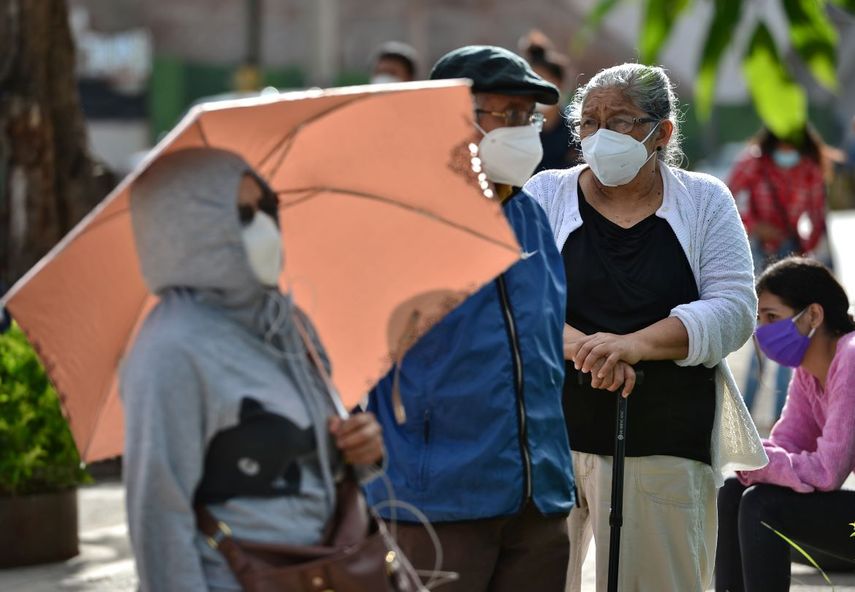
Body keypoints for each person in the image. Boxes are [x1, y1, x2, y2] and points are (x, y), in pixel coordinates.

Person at [523, 63, 767, 591]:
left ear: (662, 132)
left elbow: (733, 309)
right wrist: (592, 351)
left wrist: (634, 346)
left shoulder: (704, 200)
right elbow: (519, 300)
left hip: (665, 439)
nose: (600, 135)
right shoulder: (545, 193)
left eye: (620, 121)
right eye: (589, 122)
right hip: (549, 438)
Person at [121, 148, 385, 591]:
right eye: (242, 215)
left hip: (323, 572)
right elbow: (159, 517)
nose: (264, 226)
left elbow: (322, 462)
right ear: (192, 227)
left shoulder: (289, 323)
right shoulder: (170, 349)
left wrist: (362, 449)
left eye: (266, 208)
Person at [363, 45, 575, 591]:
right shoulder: (401, 219)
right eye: (507, 114)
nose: (523, 130)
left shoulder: (529, 214)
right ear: (452, 118)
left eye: (529, 117)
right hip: (437, 503)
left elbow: (543, 346)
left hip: (538, 497)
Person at [715, 256, 855, 592]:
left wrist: (758, 460)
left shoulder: (850, 357)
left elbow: (827, 472)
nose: (762, 330)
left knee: (762, 504)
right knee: (734, 490)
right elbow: (786, 448)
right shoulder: (808, 372)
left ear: (813, 315)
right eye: (760, 319)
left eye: (772, 317)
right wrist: (748, 456)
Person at [728, 125, 833, 422]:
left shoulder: (810, 168)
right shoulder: (754, 162)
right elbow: (727, 197)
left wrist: (805, 251)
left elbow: (817, 216)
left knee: (788, 337)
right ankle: (747, 418)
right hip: (759, 253)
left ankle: (781, 421)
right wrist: (754, 225)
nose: (787, 151)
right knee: (759, 337)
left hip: (790, 254)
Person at [519, 30, 579, 171]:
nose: (537, 89)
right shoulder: (521, 125)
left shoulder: (575, 129)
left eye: (542, 80)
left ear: (559, 84)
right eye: (531, 82)